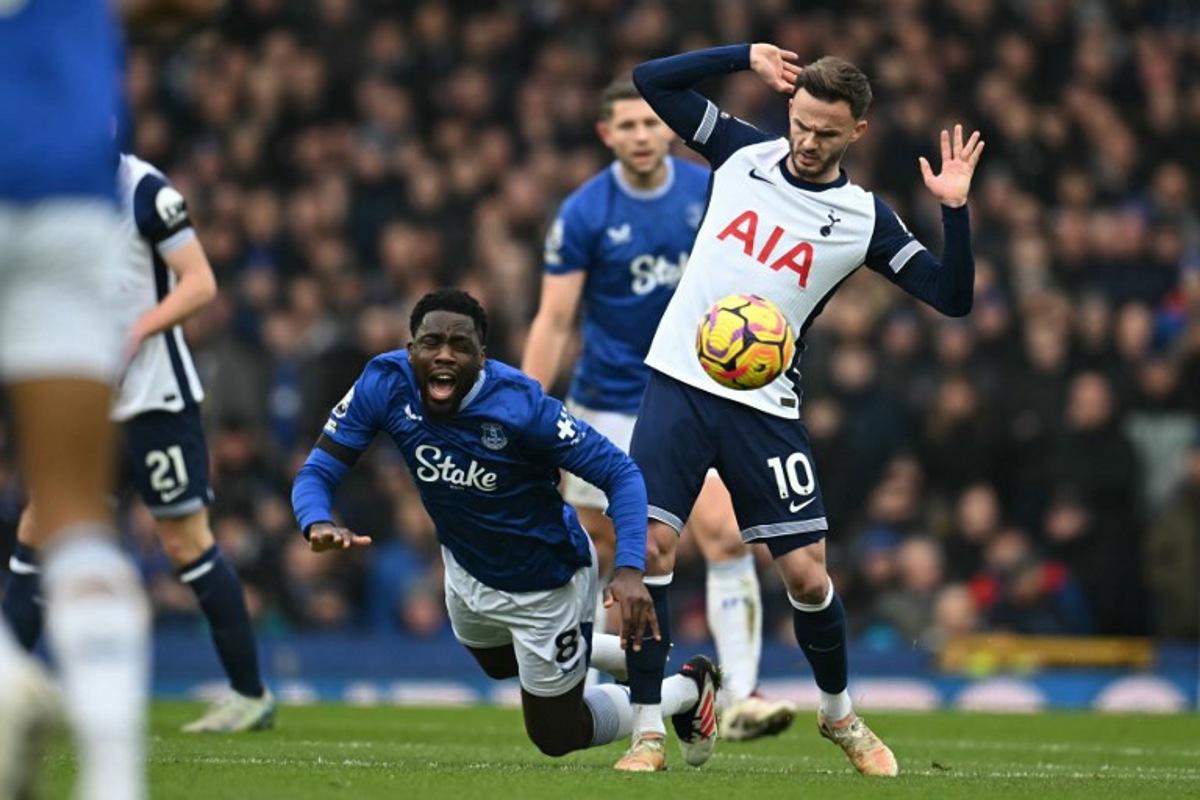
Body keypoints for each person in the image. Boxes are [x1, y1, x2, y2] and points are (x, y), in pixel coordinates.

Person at [622, 42, 984, 775]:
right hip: (680, 385)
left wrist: (956, 211)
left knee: (808, 577)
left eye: (828, 132)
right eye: (802, 124)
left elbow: (952, 298)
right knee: (650, 552)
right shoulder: (738, 151)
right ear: (789, 110)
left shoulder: (864, 218)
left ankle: (839, 715)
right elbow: (648, 81)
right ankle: (647, 731)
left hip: (763, 406)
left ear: (859, 131)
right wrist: (742, 56)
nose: (809, 143)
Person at [291, 289, 720, 772]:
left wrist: (629, 567)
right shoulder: (384, 382)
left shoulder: (522, 407)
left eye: (460, 345)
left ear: (482, 357)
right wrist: (317, 520)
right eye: (431, 343)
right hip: (466, 566)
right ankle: (617, 656)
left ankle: (685, 690)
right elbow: (317, 472)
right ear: (411, 350)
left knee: (558, 736)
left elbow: (621, 474)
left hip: (546, 583)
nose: (445, 355)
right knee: (496, 664)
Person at [523, 78, 794, 741]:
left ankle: (742, 696)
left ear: (668, 129)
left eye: (651, 123)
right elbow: (555, 319)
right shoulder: (585, 212)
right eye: (628, 126)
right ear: (606, 135)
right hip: (606, 405)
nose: (642, 135)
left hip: (688, 393)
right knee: (607, 547)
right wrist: (522, 413)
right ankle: (615, 690)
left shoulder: (705, 190)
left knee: (727, 533)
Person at [1, 152, 275, 733]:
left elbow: (200, 283)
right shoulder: (46, 185)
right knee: (41, 529)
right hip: (85, 401)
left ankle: (250, 695)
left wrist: (134, 331)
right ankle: (7, 690)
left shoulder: (143, 188)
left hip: (156, 403)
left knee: (186, 543)